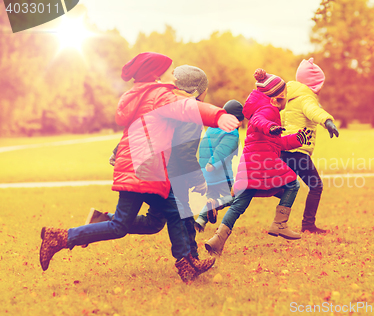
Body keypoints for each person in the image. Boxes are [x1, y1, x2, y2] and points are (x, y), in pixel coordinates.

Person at [39, 52, 239, 283]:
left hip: (141, 167)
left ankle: (186, 262)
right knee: (166, 214)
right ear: (156, 74)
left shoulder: (143, 94)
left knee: (127, 223)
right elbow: (187, 108)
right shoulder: (160, 96)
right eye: (169, 71)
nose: (173, 76)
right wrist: (219, 115)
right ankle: (186, 263)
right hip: (146, 169)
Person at [204, 68, 312, 256]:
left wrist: (298, 139)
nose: (286, 99)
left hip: (251, 165)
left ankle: (217, 240)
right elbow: (259, 122)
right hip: (263, 163)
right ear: (274, 97)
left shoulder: (264, 110)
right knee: (292, 184)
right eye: (284, 95)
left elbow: (278, 143)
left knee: (239, 203)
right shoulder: (266, 111)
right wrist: (271, 127)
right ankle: (279, 224)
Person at [280, 58, 339, 234]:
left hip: (285, 150)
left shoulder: (289, 98)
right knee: (316, 186)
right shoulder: (306, 98)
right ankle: (308, 225)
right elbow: (314, 111)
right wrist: (327, 121)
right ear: (314, 84)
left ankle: (280, 222)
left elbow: (282, 119)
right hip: (298, 152)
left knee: (283, 186)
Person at [194, 99, 244, 232]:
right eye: (240, 119)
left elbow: (204, 148)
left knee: (212, 198)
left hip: (206, 174)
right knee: (237, 197)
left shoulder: (211, 128)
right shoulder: (232, 132)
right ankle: (217, 205)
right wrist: (213, 164)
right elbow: (222, 150)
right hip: (220, 174)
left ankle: (200, 221)